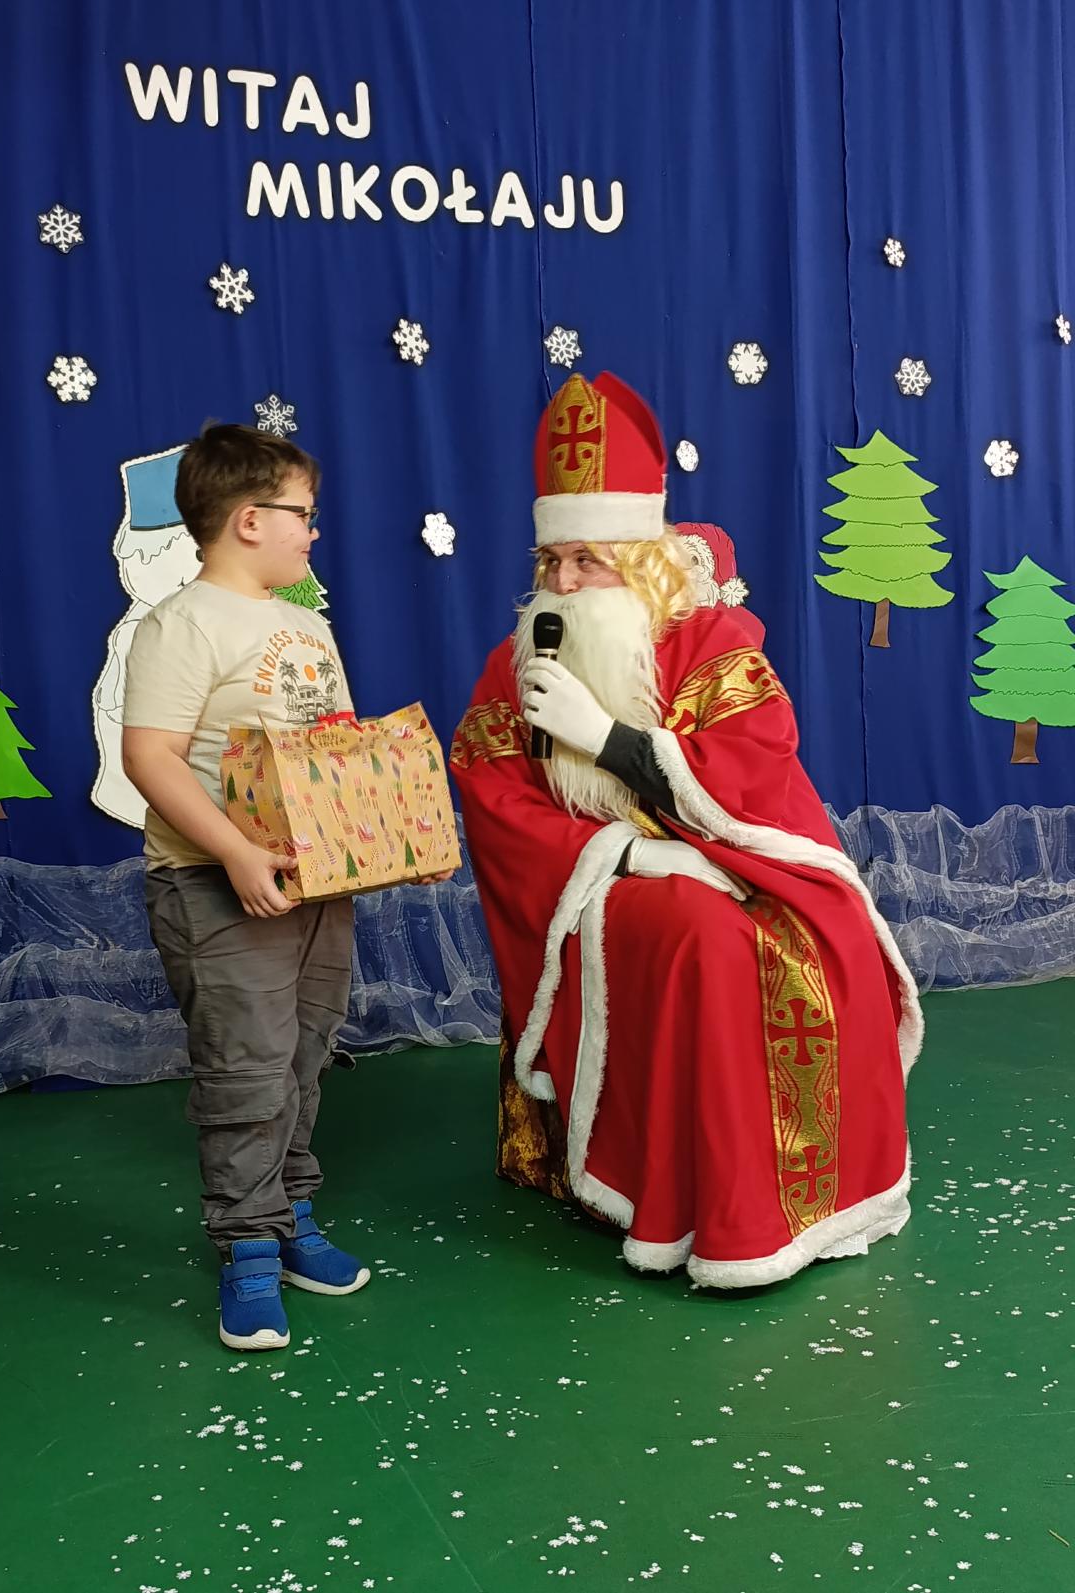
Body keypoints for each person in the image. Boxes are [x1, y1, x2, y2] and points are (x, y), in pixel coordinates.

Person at [451, 372, 921, 1287]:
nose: (562, 583)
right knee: (701, 936)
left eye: (587, 562)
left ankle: (793, 1194)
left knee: (823, 942)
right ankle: (692, 1199)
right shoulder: (515, 662)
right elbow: (496, 796)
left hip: (740, 858)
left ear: (639, 561)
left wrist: (613, 742)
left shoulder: (710, 639)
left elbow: (757, 761)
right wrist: (632, 852)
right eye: (551, 562)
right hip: (598, 883)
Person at [122, 423, 372, 1350]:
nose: (315, 529)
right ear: (249, 519)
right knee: (245, 1067)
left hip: (314, 885)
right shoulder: (182, 624)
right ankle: (247, 1246)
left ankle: (289, 1212)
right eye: (304, 513)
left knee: (303, 1053)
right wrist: (234, 851)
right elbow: (150, 756)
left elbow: (336, 752)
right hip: (214, 882)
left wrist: (373, 840)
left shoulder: (306, 625)